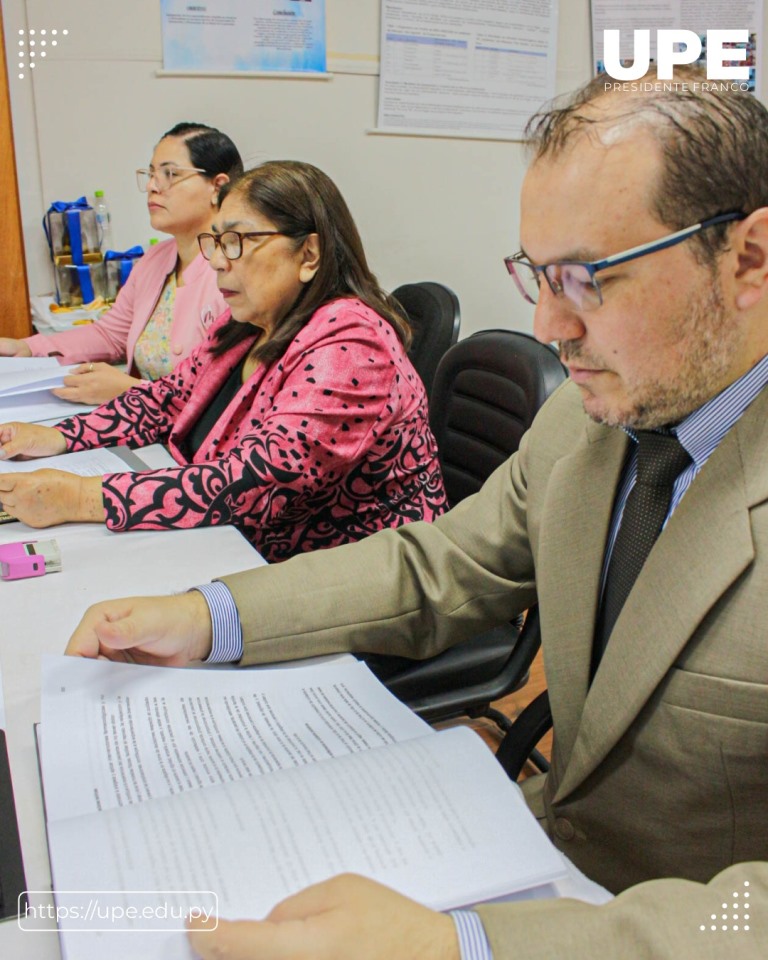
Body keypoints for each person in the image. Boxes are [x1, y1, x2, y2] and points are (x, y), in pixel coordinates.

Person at [65, 74, 768, 957]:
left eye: (589, 278)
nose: (551, 326)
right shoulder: (588, 423)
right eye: (537, 274)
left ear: (749, 257)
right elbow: (439, 565)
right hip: (537, 856)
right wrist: (211, 614)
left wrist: (463, 948)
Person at [0, 161, 447, 562]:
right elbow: (164, 401)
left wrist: (79, 496)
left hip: (355, 579)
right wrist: (53, 437)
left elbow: (254, 484)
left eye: (236, 241)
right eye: (215, 241)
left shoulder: (352, 345)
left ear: (308, 254)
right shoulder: (251, 321)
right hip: (235, 548)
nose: (215, 261)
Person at [0, 122, 243, 405]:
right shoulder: (157, 259)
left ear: (218, 186)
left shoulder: (235, 270)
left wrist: (130, 390)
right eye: (151, 174)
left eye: (170, 174)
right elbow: (110, 335)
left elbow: (226, 395)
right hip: (142, 424)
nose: (152, 187)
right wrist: (27, 349)